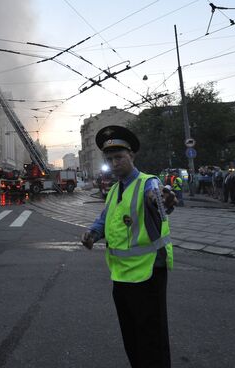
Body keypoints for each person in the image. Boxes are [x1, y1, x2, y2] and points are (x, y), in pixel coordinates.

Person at [81, 125, 176, 368]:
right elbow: (106, 217)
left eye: (119, 157)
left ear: (132, 156)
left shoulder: (148, 183)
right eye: (110, 159)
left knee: (151, 340)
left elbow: (158, 197)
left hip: (148, 274)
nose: (114, 163)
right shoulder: (114, 190)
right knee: (131, 336)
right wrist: (93, 233)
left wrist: (162, 199)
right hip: (121, 274)